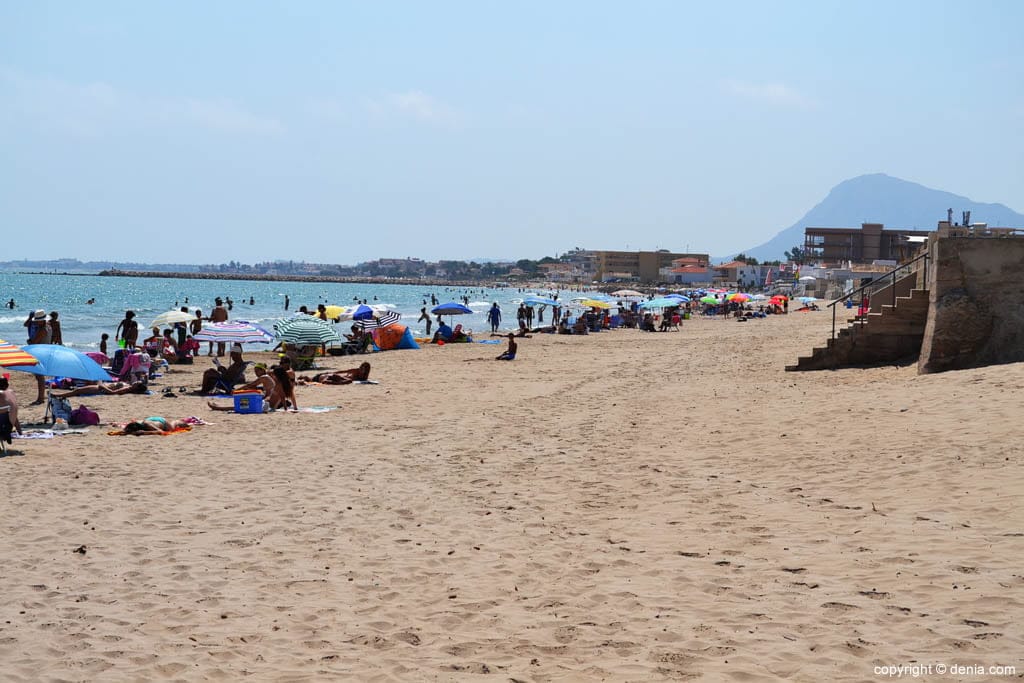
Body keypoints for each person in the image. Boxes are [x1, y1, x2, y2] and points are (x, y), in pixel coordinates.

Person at [297, 362, 372, 385]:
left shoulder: (364, 377)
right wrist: (333, 372)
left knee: (311, 379)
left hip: (332, 377)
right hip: (330, 376)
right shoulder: (356, 370)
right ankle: (302, 377)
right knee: (310, 379)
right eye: (361, 367)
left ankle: (303, 378)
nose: (361, 369)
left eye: (363, 368)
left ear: (366, 371)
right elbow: (344, 371)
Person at [52, 380, 149, 397]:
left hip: (100, 388)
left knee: (78, 391)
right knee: (78, 390)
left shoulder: (127, 389)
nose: (137, 381)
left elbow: (113, 393)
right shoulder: (128, 386)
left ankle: (59, 395)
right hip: (101, 386)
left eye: (138, 383)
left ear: (136, 387)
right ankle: (59, 395)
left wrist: (102, 385)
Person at [0, 376, 23, 445]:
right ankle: (6, 434)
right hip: (9, 425)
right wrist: (19, 430)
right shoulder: (11, 392)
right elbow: (14, 412)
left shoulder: (1, 393)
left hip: (3, 426)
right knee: (8, 410)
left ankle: (4, 433)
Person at [121, 417, 191, 435]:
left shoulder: (147, 425)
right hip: (150, 420)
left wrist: (143, 432)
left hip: (162, 422)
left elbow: (160, 431)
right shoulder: (137, 424)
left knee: (172, 428)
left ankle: (177, 421)